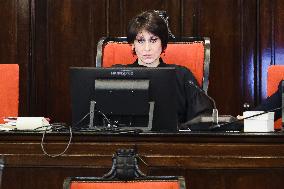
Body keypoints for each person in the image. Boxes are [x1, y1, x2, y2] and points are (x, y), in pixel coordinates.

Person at [116, 10, 214, 126]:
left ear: (163, 44)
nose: (147, 48)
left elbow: (204, 116)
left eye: (153, 40)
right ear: (132, 45)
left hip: (173, 141)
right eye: (141, 41)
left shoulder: (181, 75)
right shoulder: (117, 74)